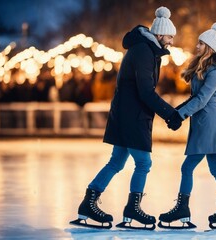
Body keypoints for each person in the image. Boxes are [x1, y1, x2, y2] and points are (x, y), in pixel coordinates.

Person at [70, 6, 183, 230]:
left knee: (116, 161)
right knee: (143, 163)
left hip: (127, 113)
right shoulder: (143, 51)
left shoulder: (146, 49)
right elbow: (145, 91)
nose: (171, 41)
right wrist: (170, 114)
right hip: (132, 116)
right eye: (169, 36)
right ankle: (132, 208)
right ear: (160, 34)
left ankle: (88, 204)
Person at [158, 23, 216, 229]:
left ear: (209, 47)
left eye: (201, 43)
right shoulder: (206, 67)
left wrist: (180, 115)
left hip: (209, 122)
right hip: (206, 121)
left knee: (188, 167)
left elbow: (202, 99)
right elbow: (196, 97)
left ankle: (183, 208)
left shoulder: (215, 70)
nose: (197, 46)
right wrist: (178, 111)